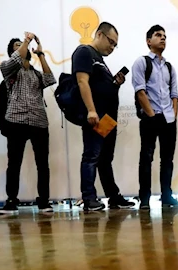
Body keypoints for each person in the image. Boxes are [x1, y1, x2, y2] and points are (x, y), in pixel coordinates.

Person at [72, 22, 135, 211]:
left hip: (107, 118)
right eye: (111, 42)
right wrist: (91, 110)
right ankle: (89, 198)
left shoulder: (99, 59)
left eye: (115, 45)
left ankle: (113, 196)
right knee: (91, 156)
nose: (112, 47)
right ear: (99, 34)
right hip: (97, 116)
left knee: (105, 158)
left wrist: (115, 83)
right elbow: (82, 81)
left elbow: (101, 87)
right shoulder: (84, 52)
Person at [0, 32, 57, 214]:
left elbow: (50, 79)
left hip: (39, 121)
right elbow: (15, 60)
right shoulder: (7, 68)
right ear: (12, 53)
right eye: (17, 45)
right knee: (14, 162)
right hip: (16, 120)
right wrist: (26, 40)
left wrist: (41, 54)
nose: (21, 46)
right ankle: (11, 200)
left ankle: (44, 201)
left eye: (21, 44)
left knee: (43, 163)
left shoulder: (36, 74)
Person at [132, 24, 178, 210]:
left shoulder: (169, 67)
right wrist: (152, 116)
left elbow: (175, 94)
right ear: (148, 41)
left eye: (164, 36)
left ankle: (166, 196)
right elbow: (140, 92)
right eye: (158, 35)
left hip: (168, 119)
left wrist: (173, 116)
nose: (162, 38)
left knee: (167, 159)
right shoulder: (141, 62)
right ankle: (144, 199)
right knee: (146, 158)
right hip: (149, 117)